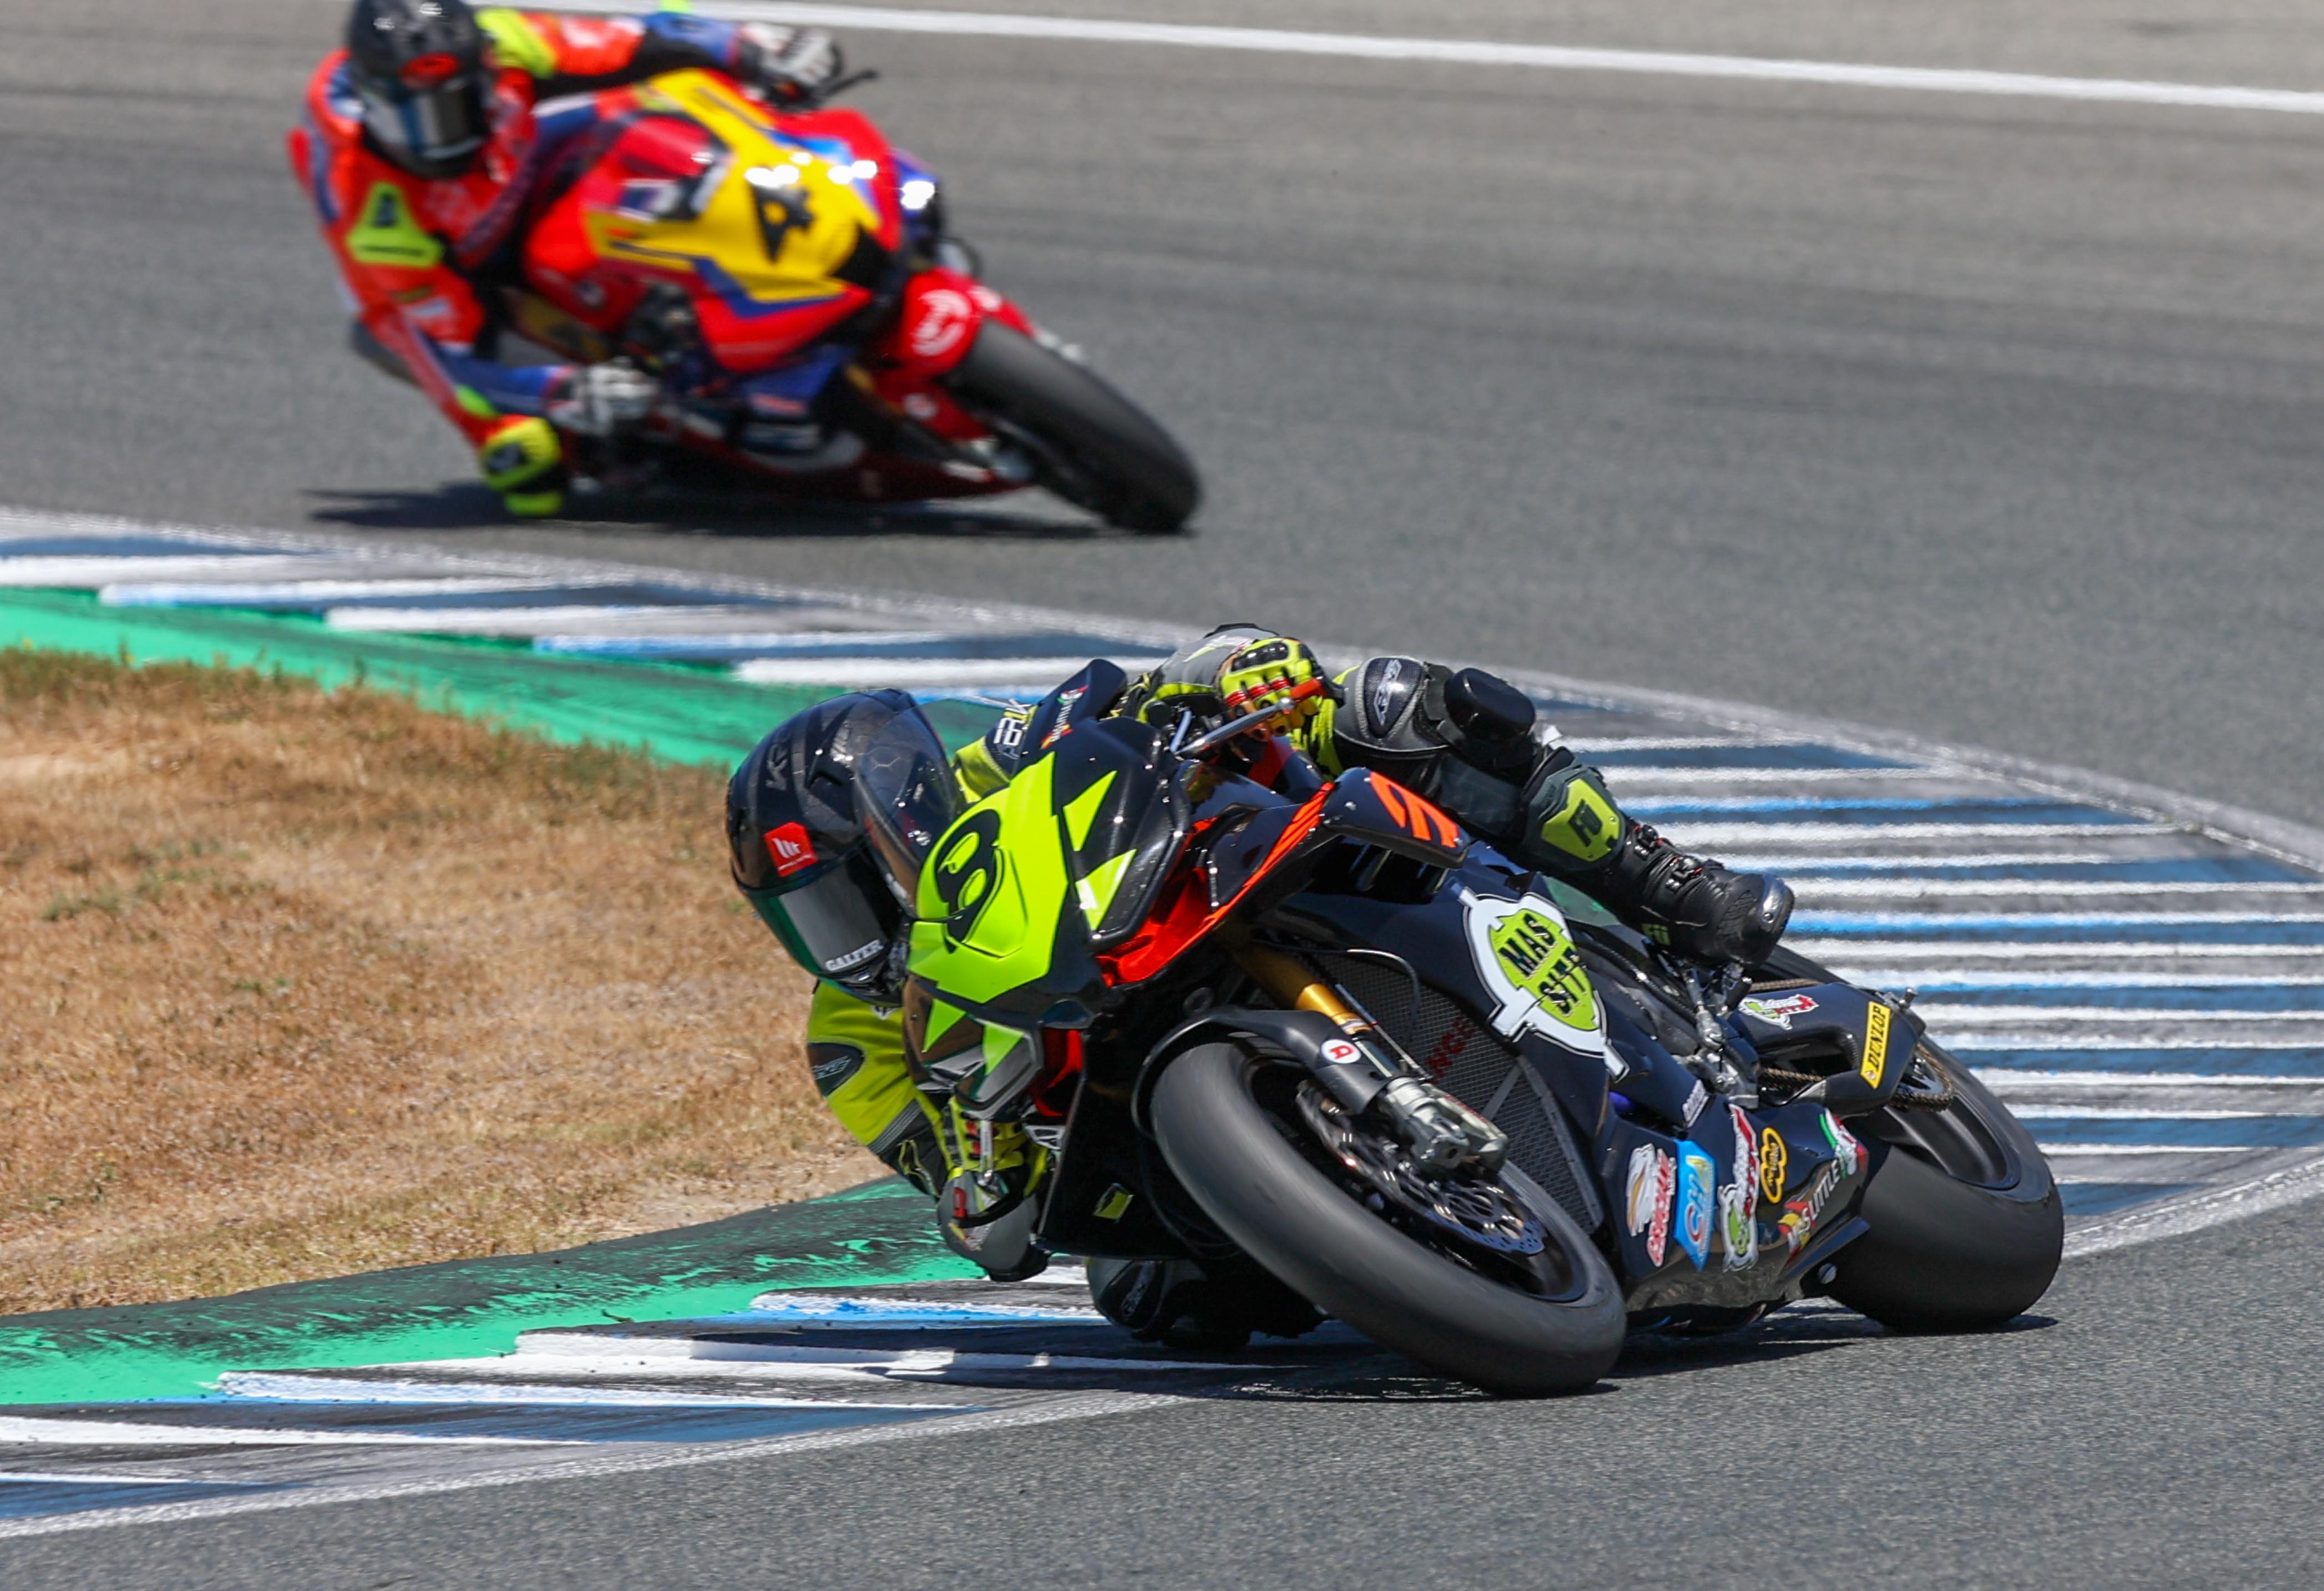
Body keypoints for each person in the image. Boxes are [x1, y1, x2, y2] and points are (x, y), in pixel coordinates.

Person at [726, 628, 1794, 1342]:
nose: (841, 937)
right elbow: (991, 1233)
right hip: (1123, 1085)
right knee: (1157, 1302)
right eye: (805, 919)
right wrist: (971, 1149)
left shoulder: (1007, 763)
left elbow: (1152, 691)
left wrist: (1234, 671)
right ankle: (1421, 1237)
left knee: (1391, 703)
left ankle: (1667, 879)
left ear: (897, 809)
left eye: (840, 893)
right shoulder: (855, 1042)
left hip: (1231, 880)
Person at [292, 1, 844, 516]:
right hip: (426, 281)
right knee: (528, 468)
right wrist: (562, 390)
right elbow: (459, 352)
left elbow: (637, 37)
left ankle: (797, 192)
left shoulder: (506, 41)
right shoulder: (379, 221)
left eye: (459, 104)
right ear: (374, 106)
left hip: (513, 164)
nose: (442, 138)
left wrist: (753, 50)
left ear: (483, 67)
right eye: (417, 120)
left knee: (676, 85)